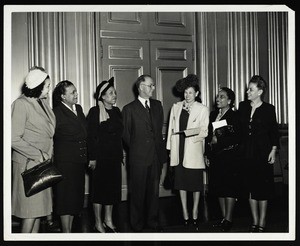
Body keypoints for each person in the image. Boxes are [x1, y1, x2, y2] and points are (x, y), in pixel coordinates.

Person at [11, 66, 56, 233]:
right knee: (30, 213)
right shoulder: (21, 104)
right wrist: (39, 154)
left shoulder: (42, 103)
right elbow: (13, 137)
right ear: (38, 87)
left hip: (42, 165)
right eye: (47, 86)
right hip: (29, 165)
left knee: (38, 212)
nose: (49, 89)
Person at [122, 74, 167, 232]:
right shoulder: (129, 109)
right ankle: (137, 225)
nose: (153, 88)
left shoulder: (157, 105)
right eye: (150, 85)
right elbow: (127, 136)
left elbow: (158, 130)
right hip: (138, 158)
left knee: (153, 193)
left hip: (155, 157)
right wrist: (138, 148)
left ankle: (153, 222)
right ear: (141, 87)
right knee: (137, 194)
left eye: (153, 85)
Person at [166, 74, 209, 230]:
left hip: (194, 150)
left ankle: (195, 211)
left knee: (196, 185)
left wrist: (191, 132)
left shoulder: (203, 109)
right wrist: (170, 150)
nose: (187, 95)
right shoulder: (176, 107)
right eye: (185, 92)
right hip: (179, 149)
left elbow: (205, 131)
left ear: (196, 93)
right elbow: (171, 130)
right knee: (182, 184)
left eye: (190, 92)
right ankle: (185, 212)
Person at [238, 75, 279, 232]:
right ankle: (254, 222)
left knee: (262, 189)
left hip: (262, 153)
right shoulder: (243, 106)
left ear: (260, 91)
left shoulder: (269, 109)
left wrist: (273, 150)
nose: (247, 92)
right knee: (250, 188)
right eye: (248, 89)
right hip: (246, 153)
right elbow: (238, 129)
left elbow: (274, 132)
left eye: (251, 89)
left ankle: (262, 222)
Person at [87, 77, 123, 233]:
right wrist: (92, 158)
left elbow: (120, 135)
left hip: (114, 158)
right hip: (100, 159)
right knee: (99, 192)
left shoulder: (117, 111)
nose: (114, 95)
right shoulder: (94, 112)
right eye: (110, 93)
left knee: (112, 190)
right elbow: (91, 137)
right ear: (102, 96)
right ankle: (98, 222)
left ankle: (108, 220)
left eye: (114, 93)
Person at [52, 80, 88, 233]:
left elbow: (84, 131)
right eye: (72, 92)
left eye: (76, 91)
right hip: (65, 162)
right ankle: (66, 232)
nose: (76, 94)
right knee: (65, 198)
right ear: (62, 96)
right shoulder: (56, 112)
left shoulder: (78, 108)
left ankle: (69, 231)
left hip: (79, 161)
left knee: (75, 198)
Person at [205, 87, 241, 232]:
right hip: (215, 157)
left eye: (222, 97)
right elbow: (208, 136)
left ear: (230, 101)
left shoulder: (234, 117)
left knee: (229, 188)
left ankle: (229, 219)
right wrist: (207, 154)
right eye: (217, 97)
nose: (218, 99)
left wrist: (218, 141)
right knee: (218, 188)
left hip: (229, 157)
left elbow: (237, 138)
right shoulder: (213, 114)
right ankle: (223, 218)